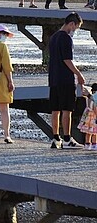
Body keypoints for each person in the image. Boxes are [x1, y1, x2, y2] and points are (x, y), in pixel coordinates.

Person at [48, 12, 85, 149]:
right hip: (66, 79)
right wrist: (79, 74)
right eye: (75, 27)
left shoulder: (53, 37)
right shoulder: (66, 39)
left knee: (55, 109)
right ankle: (68, 138)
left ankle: (55, 138)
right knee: (67, 109)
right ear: (71, 24)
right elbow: (67, 60)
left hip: (53, 78)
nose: (75, 30)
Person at [77, 85, 97, 150]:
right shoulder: (95, 97)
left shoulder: (89, 97)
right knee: (94, 132)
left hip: (88, 115)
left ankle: (87, 144)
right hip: (94, 116)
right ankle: (94, 144)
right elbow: (95, 108)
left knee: (88, 132)